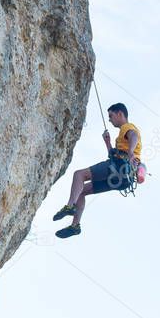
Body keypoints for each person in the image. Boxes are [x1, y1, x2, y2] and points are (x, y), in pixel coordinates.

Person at [53, 102, 141, 238]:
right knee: (81, 191)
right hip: (123, 180)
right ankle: (75, 226)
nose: (109, 120)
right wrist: (108, 144)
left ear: (120, 114)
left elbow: (133, 135)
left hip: (118, 167)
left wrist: (130, 152)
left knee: (79, 175)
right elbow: (115, 153)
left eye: (111, 116)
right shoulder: (122, 135)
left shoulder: (127, 127)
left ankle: (70, 206)